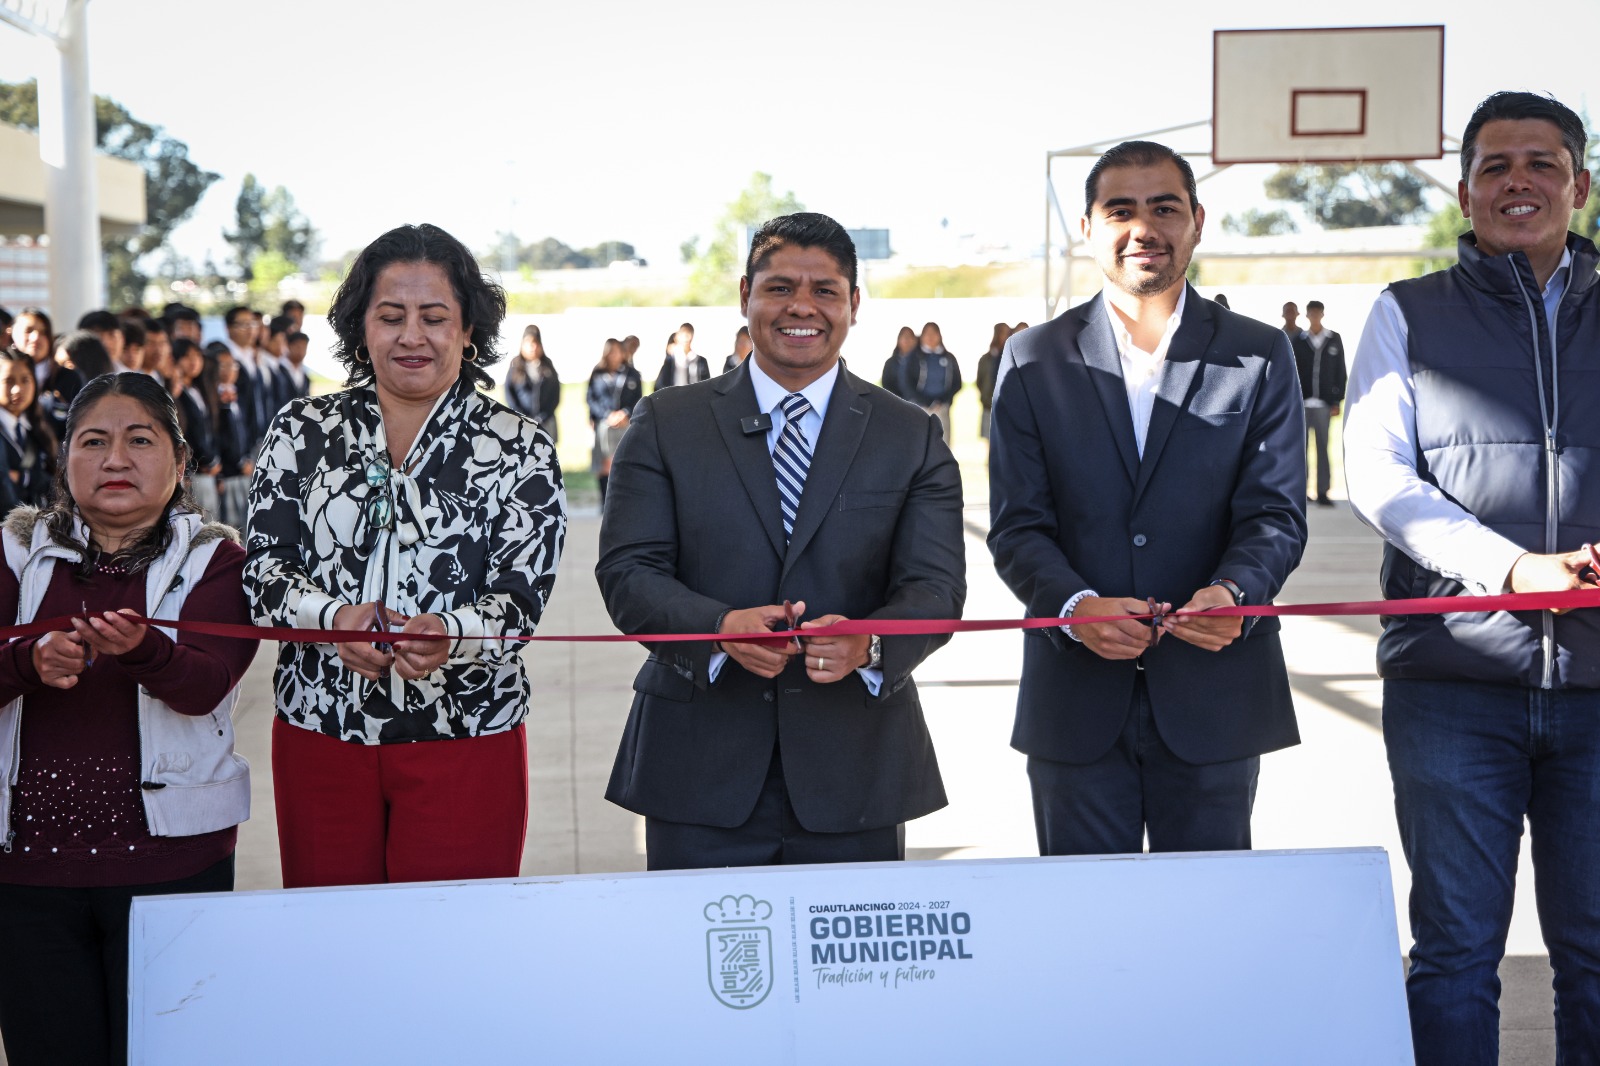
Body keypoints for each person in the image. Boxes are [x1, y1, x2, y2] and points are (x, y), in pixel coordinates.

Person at [1341, 91, 1599, 1065]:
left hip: (1598, 689)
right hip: (1451, 684)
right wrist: (1507, 568)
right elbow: (1375, 475)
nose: (1518, 181)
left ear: (1579, 185)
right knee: (1452, 955)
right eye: (1496, 166)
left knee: (1596, 954)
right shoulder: (1404, 313)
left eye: (1542, 163)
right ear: (1465, 191)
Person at [596, 212, 966, 870]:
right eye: (779, 287)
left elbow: (935, 590)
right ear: (745, 296)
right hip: (697, 769)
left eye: (825, 290)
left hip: (856, 772)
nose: (802, 306)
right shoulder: (667, 422)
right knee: (702, 969)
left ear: (854, 303)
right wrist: (717, 628)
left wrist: (870, 641)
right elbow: (629, 572)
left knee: (851, 974)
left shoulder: (909, 435)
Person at [987, 140, 1306, 858]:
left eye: (1164, 208)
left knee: (1207, 932)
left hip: (1213, 694)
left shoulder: (1259, 354)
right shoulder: (1032, 359)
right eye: (1120, 210)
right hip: (1075, 699)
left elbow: (1275, 513)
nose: (1143, 228)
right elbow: (1017, 526)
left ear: (1197, 219)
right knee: (1083, 935)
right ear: (1088, 228)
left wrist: (1236, 591)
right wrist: (1073, 608)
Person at [245, 222, 566, 889]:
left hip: (468, 733)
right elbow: (263, 575)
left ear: (470, 329)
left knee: (454, 949)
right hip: (321, 732)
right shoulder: (302, 432)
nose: (412, 336)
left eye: (435, 317)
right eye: (391, 316)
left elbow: (520, 600)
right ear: (360, 326)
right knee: (333, 944)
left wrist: (451, 633)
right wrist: (334, 619)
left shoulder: (519, 446)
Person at [0, 373, 258, 1066]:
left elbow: (207, 682)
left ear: (179, 462)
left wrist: (146, 650)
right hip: (25, 876)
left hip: (176, 865)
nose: (116, 459)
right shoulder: (14, 555)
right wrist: (25, 662)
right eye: (94, 442)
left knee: (171, 1049)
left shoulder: (216, 561)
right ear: (63, 461)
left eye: (139, 440)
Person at [1296, 300, 1346, 507]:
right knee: (1301, 450)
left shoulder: (1334, 339)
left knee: (1324, 448)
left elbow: (1340, 372)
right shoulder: (1299, 341)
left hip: (1325, 405)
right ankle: (1302, 492)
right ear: (1307, 316)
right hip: (1303, 404)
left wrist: (1336, 400)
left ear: (1322, 315)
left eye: (1318, 313)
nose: (1315, 316)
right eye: (1311, 313)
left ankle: (1323, 491)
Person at [586, 337, 641, 503]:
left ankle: (624, 499)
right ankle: (605, 501)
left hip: (624, 423)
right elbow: (590, 398)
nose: (614, 355)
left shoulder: (631, 374)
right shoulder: (597, 373)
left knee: (624, 460)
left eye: (617, 351)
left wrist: (625, 413)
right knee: (604, 463)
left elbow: (638, 398)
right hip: (604, 423)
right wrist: (606, 415)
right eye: (611, 351)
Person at [0, 350, 56, 508]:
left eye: (25, 380)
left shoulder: (37, 428)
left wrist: (24, 477)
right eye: (8, 381)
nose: (17, 389)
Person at [504, 323, 561, 438]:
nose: (532, 347)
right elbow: (510, 395)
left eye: (535, 343)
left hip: (546, 423)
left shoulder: (547, 365)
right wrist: (523, 417)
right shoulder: (515, 365)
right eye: (529, 343)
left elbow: (555, 394)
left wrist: (542, 417)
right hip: (522, 423)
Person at [910, 321, 962, 442]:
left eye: (934, 333)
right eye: (927, 333)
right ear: (922, 337)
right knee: (920, 443)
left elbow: (956, 383)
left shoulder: (949, 357)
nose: (931, 337)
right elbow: (907, 382)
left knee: (943, 443)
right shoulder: (914, 357)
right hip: (919, 407)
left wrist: (942, 400)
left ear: (940, 336)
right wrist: (924, 401)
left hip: (942, 407)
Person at [975, 322, 1010, 440]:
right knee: (990, 442)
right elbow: (980, 381)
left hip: (1008, 407)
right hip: (989, 405)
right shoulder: (986, 359)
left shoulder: (1012, 357)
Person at [653, 325, 710, 391]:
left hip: (695, 397)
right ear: (677, 337)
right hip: (674, 397)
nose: (686, 337)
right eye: (683, 333)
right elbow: (661, 383)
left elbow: (707, 384)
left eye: (688, 333)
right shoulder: (671, 360)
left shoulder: (701, 361)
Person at [881, 325, 918, 400]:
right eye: (904, 337)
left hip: (918, 404)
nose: (907, 340)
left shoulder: (921, 362)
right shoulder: (890, 363)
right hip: (896, 403)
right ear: (898, 340)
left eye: (910, 337)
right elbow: (886, 386)